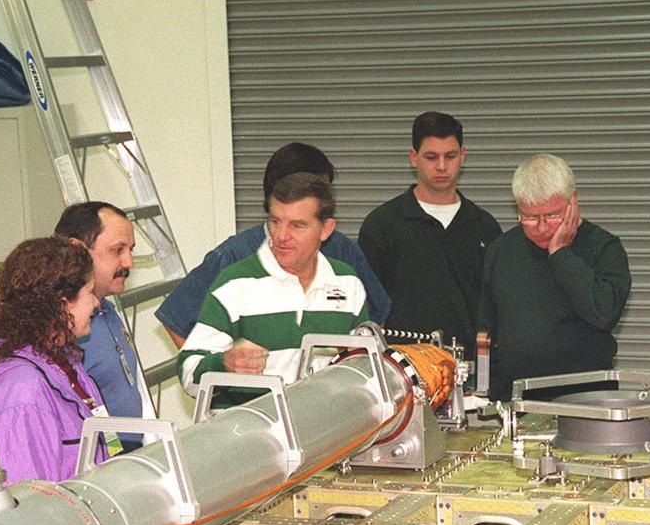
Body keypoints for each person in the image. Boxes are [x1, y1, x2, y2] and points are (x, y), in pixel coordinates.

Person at [155, 142, 389, 347]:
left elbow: (375, 319)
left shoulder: (341, 250)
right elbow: (176, 319)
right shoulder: (234, 255)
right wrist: (220, 383)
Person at [178, 173, 367, 405]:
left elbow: (362, 370)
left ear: (326, 230)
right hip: (249, 431)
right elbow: (188, 372)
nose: (281, 236)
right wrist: (224, 363)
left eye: (298, 225)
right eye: (275, 221)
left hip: (324, 430)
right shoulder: (235, 283)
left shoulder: (348, 283)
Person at [479, 154, 631, 402]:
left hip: (585, 398)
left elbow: (603, 314)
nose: (541, 227)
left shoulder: (604, 248)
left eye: (551, 216)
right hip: (516, 398)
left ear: (573, 201)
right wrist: (490, 391)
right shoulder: (501, 250)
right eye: (529, 217)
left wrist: (560, 254)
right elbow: (486, 328)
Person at [0, 236, 113, 483]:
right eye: (89, 292)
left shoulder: (67, 366)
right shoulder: (21, 392)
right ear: (62, 304)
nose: (96, 303)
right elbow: (24, 505)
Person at [358, 111, 501, 357]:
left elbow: (496, 308)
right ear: (414, 157)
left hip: (469, 371)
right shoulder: (382, 226)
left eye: (451, 156)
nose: (442, 166)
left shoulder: (485, 227)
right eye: (431, 157)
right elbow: (368, 312)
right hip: (401, 374)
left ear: (463, 156)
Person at [54, 201, 153, 451]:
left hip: (129, 460)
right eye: (117, 250)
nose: (129, 262)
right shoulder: (63, 330)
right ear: (77, 250)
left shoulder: (108, 311)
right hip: (97, 468)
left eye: (130, 249)